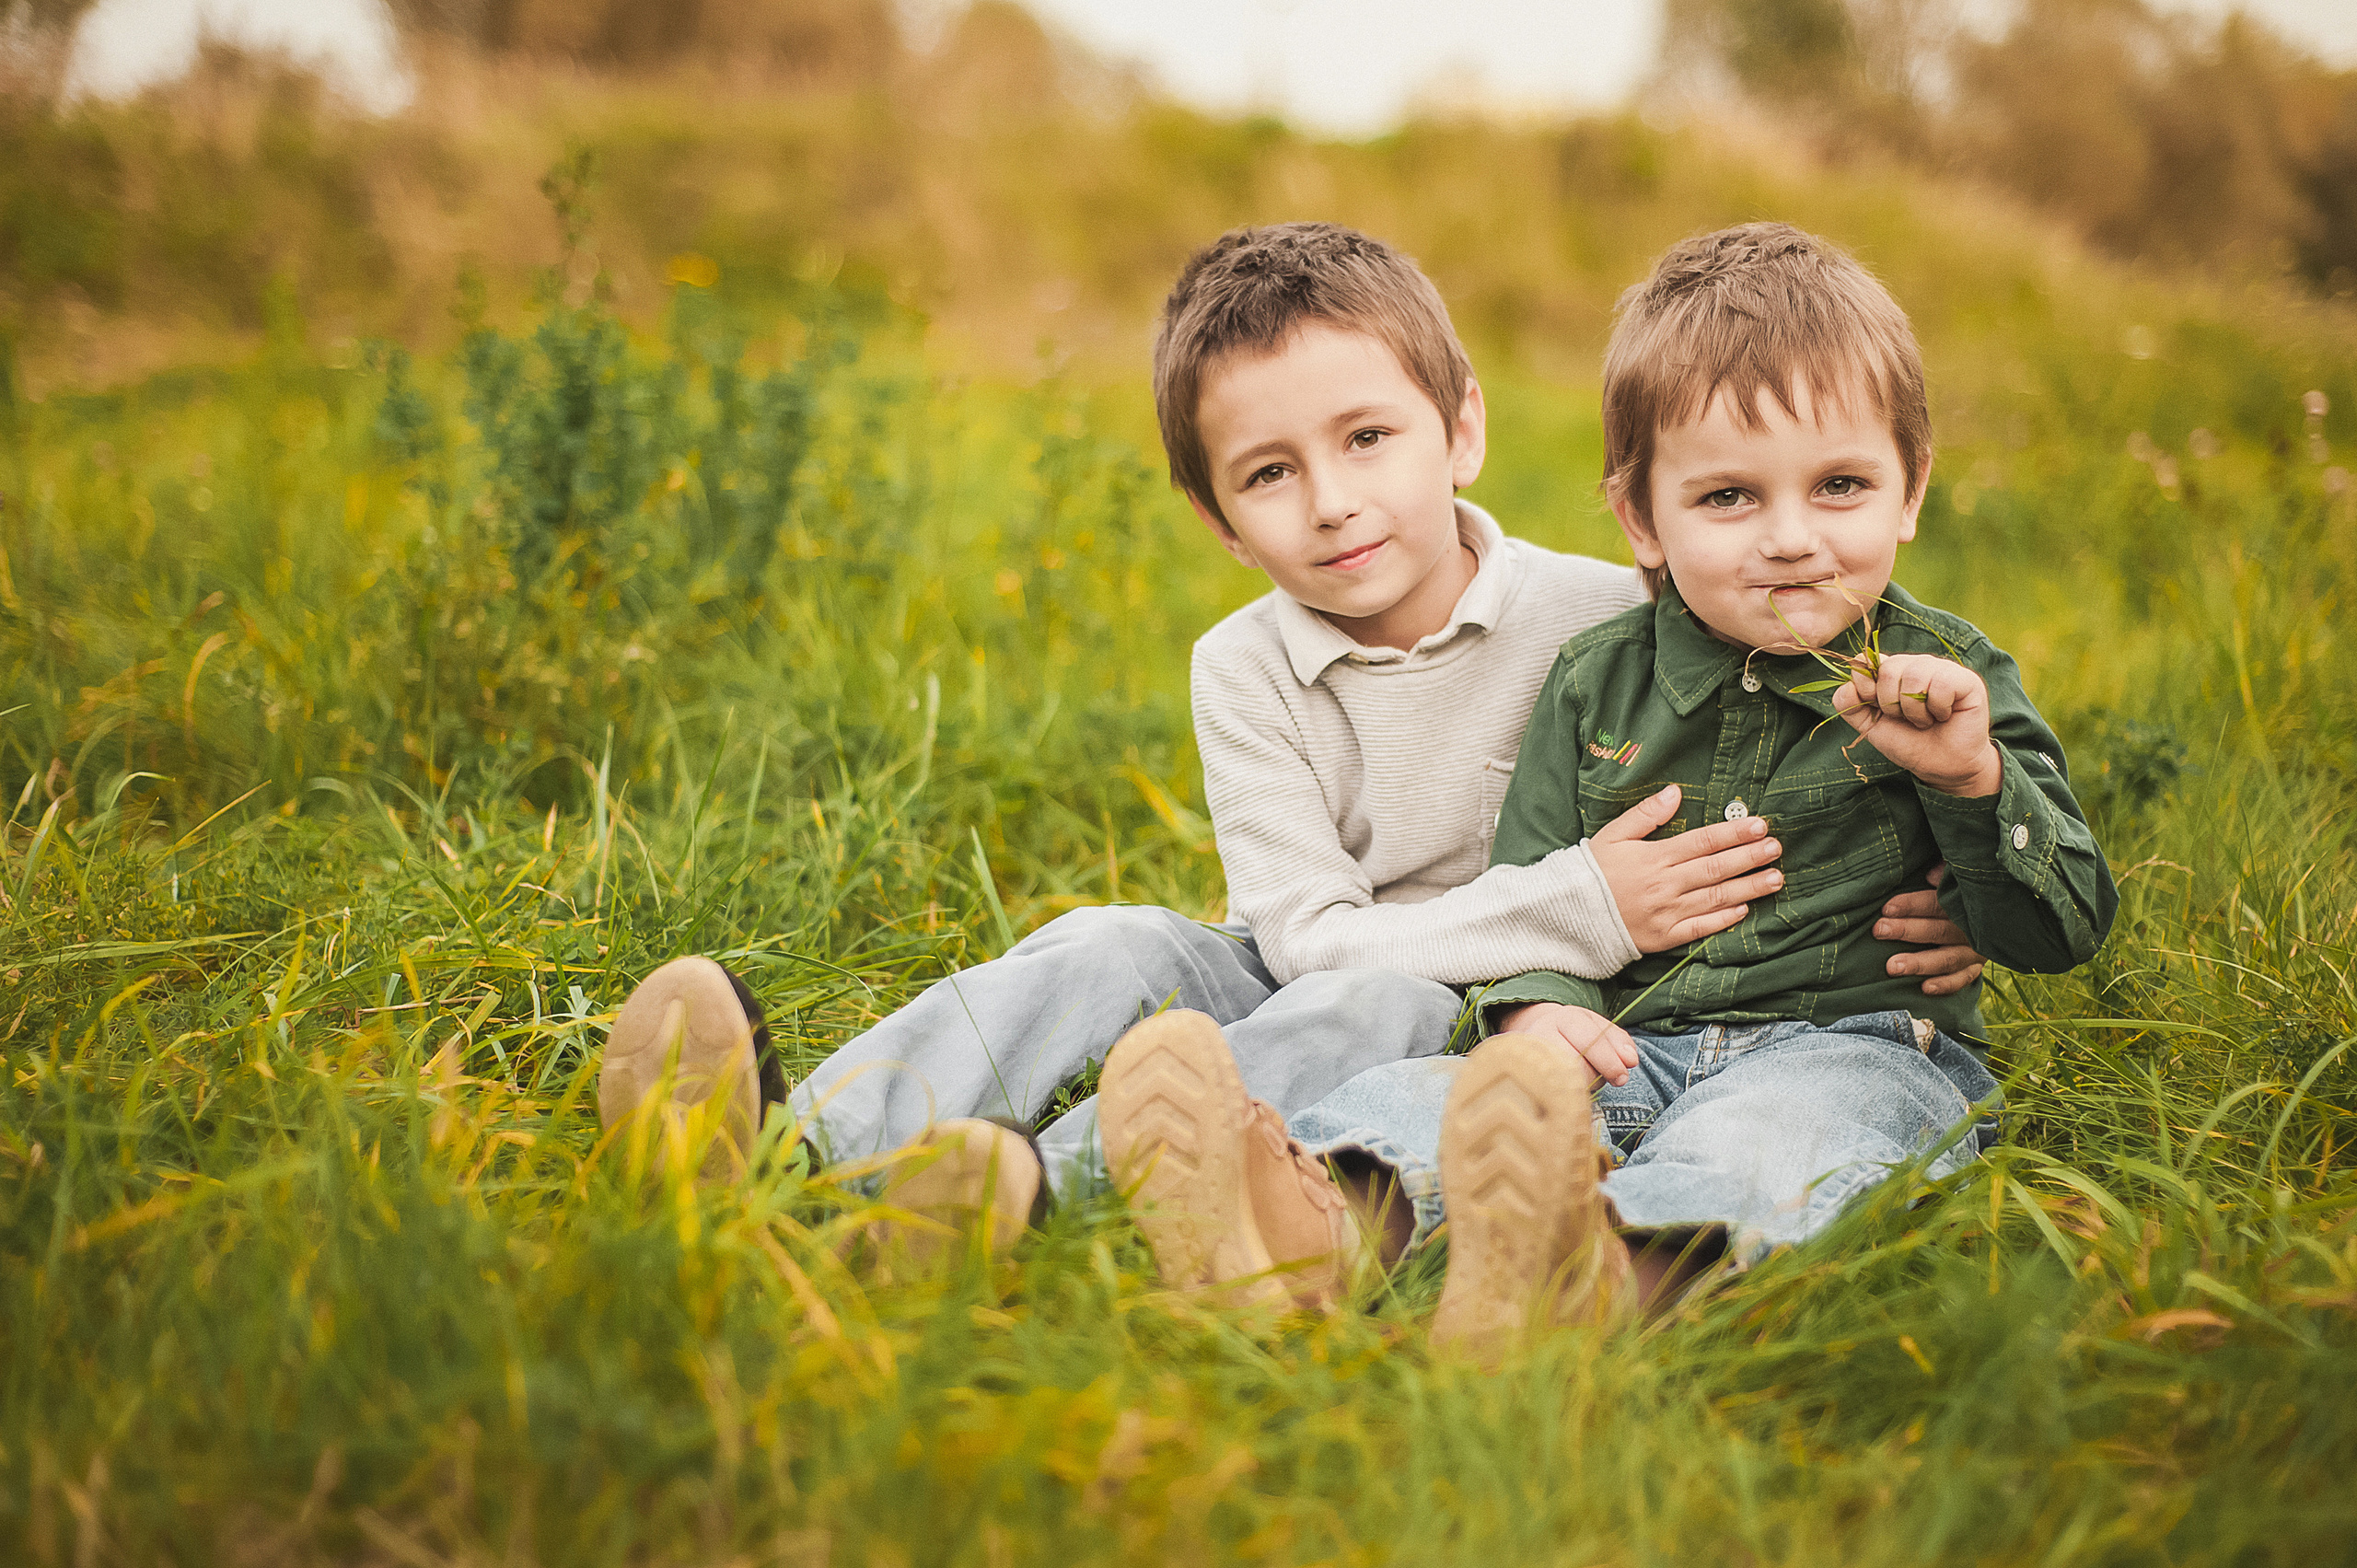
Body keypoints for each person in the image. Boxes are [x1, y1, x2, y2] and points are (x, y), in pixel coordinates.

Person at [596, 223, 1989, 1263]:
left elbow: (1792, 722)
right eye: (1271, 473)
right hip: (1323, 955)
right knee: (1108, 942)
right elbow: (1305, 935)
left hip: (1491, 1009)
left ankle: (1026, 1193)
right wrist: (1587, 897)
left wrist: (1910, 892)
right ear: (1219, 519)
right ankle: (801, 1144)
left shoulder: (1608, 611)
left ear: (1461, 429)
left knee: (1377, 1007)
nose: (1333, 502)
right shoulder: (1242, 663)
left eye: (1369, 436)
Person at [1100, 222, 2116, 1344]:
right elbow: (1528, 879)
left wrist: (1974, 787)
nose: (1788, 539)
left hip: (1856, 1042)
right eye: (1727, 497)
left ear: (1910, 489)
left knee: (1765, 1142)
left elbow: (2061, 924)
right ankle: (1298, 1227)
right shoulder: (1592, 675)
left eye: (1838, 485)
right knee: (1444, 1100)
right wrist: (1539, 1008)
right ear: (1641, 517)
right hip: (1628, 1039)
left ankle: (1582, 1284)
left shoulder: (1950, 688)